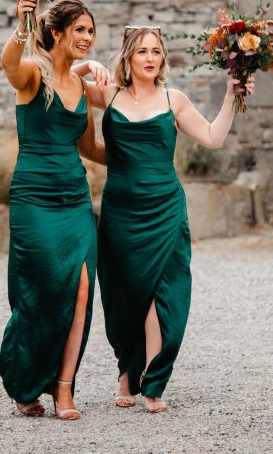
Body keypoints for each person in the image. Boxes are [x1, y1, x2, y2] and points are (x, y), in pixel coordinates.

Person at [82, 25, 254, 413]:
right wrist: (89, 64)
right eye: (142, 51)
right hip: (120, 211)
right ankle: (127, 373)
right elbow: (60, 77)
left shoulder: (173, 99)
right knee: (124, 293)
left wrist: (231, 94)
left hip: (165, 209)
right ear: (127, 56)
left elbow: (212, 137)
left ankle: (154, 381)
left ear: (163, 58)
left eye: (156, 51)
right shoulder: (108, 94)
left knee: (163, 293)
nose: (150, 58)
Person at [0, 0, 107, 420]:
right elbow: (9, 64)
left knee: (81, 288)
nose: (87, 37)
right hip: (34, 199)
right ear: (57, 32)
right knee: (41, 292)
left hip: (75, 200)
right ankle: (25, 379)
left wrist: (140, 154)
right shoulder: (32, 76)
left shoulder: (81, 87)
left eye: (91, 31)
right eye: (80, 29)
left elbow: (90, 148)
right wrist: (23, 20)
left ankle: (64, 389)